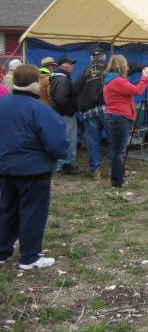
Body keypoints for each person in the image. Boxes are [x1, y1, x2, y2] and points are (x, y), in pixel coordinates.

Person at [0, 65, 69, 270]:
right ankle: (29, 257)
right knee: (32, 212)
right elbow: (57, 142)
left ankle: (2, 251)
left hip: (5, 168)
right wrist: (59, 155)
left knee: (7, 209)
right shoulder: (40, 109)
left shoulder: (2, 104)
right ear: (36, 84)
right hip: (33, 170)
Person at [103, 55, 148, 187]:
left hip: (114, 116)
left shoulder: (111, 80)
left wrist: (146, 74)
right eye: (125, 63)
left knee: (117, 150)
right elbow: (137, 90)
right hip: (119, 117)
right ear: (120, 65)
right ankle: (117, 181)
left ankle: (118, 177)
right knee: (119, 151)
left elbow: (129, 86)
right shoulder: (117, 81)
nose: (127, 66)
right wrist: (144, 77)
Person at [74, 48, 111, 180]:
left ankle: (96, 171)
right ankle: (114, 169)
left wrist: (80, 107)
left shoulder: (86, 71)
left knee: (93, 142)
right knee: (114, 140)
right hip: (106, 109)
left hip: (89, 112)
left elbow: (75, 89)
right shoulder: (108, 68)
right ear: (104, 57)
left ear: (91, 58)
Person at [50, 56, 79, 175]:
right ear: (64, 65)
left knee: (63, 139)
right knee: (68, 140)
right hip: (65, 114)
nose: (73, 66)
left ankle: (63, 164)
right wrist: (71, 110)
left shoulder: (57, 78)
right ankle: (65, 165)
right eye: (71, 64)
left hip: (59, 113)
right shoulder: (63, 80)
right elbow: (60, 98)